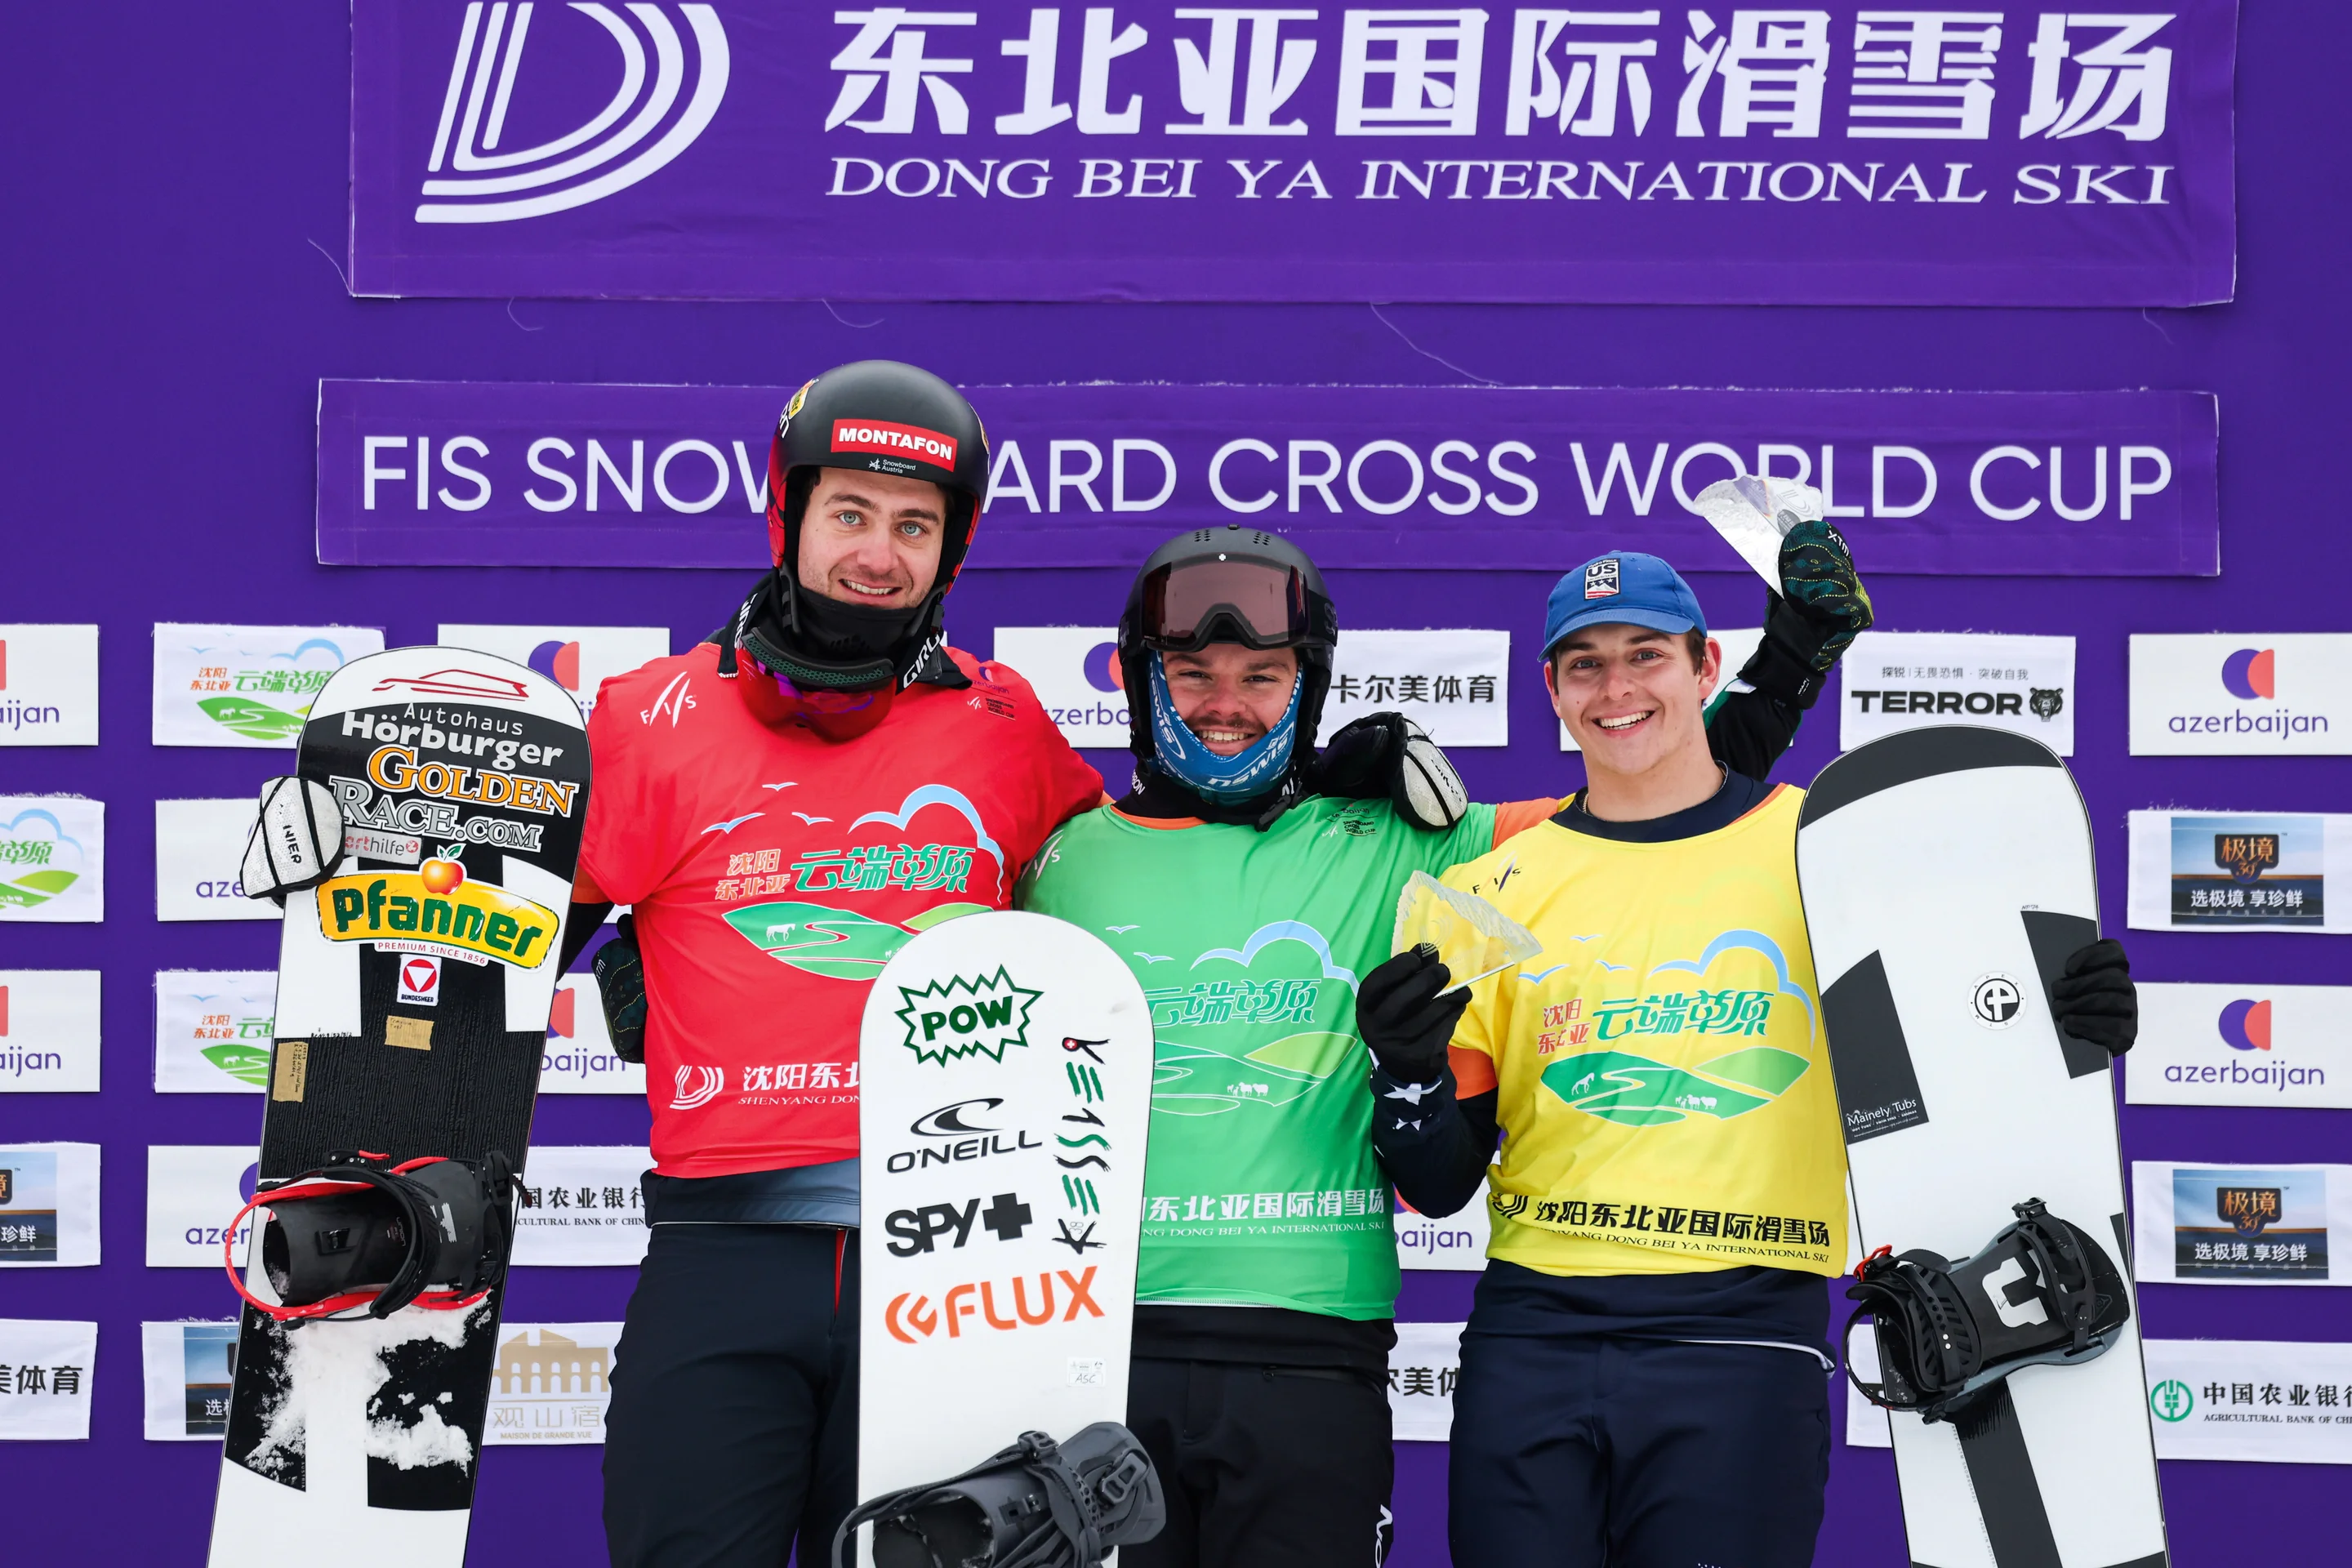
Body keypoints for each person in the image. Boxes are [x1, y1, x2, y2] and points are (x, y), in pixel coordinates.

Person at [1014, 523, 1851, 1568]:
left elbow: (1655, 794)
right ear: (1143, 677)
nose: (1225, 705)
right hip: (1096, 1343)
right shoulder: (1054, 854)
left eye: (1263, 677)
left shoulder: (1425, 846)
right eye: (1192, 673)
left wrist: (1792, 663)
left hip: (1317, 1345)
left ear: (1304, 683)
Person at [1354, 542, 2140, 1568]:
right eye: (1585, 664)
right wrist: (1406, 1074)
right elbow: (1442, 1181)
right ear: (1550, 688)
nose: (1618, 687)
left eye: (1646, 655)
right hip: (1530, 1339)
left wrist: (2073, 1014)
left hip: (1740, 1335)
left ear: (1705, 667)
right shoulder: (1491, 887)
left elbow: (1968, 1016)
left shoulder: (1826, 848)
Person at [565, 362, 1105, 1566]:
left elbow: (1146, 891)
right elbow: (497, 947)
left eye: (915, 525)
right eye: (850, 514)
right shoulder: (652, 716)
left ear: (951, 552)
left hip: (959, 1258)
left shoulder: (1006, 723)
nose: (879, 553)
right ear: (788, 516)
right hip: (726, 1253)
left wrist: (1338, 794)